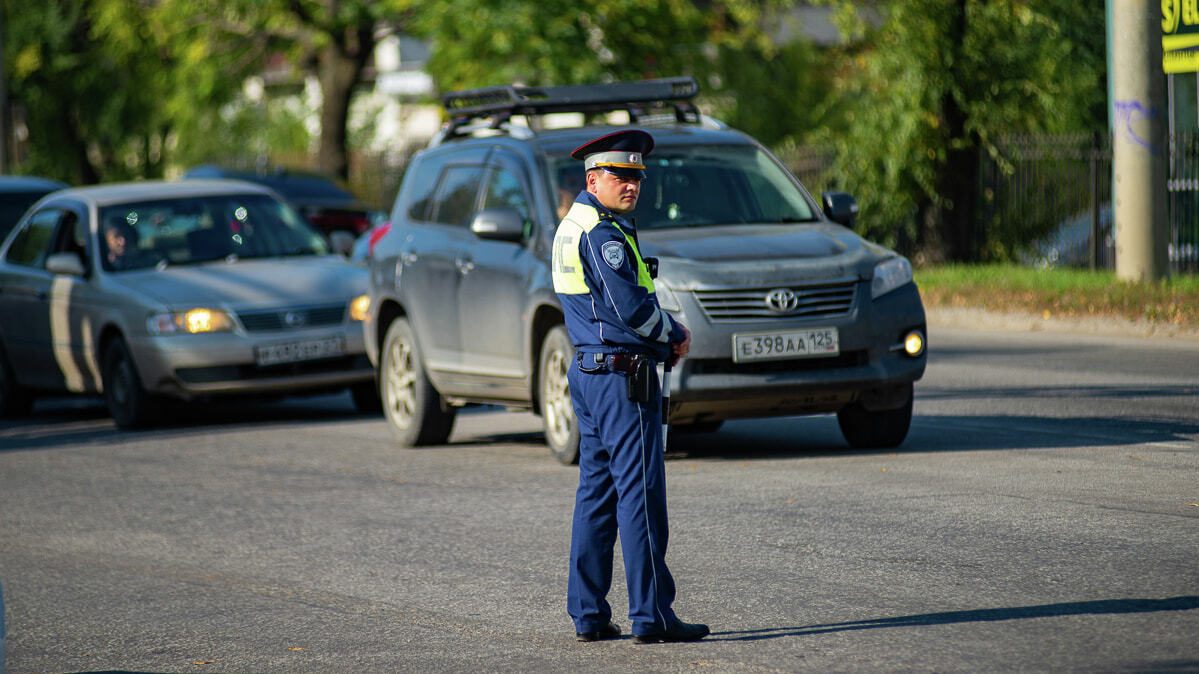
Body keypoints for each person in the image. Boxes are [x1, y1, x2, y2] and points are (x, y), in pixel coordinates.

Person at [551, 129, 709, 644]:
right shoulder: (602, 233)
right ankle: (652, 616)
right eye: (621, 176)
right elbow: (634, 311)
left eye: (637, 177)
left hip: (592, 372)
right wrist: (676, 333)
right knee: (639, 495)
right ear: (592, 178)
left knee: (596, 495)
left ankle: (589, 614)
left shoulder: (575, 225)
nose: (632, 185)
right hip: (622, 376)